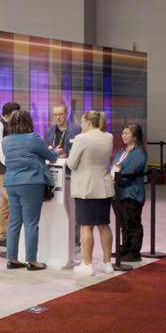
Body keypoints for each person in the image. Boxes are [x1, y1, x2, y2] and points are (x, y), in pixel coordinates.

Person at [2, 109, 58, 270]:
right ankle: (32, 261)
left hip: (11, 183)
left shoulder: (6, 140)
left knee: (14, 223)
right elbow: (51, 156)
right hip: (30, 183)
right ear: (29, 122)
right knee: (31, 223)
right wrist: (55, 151)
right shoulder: (33, 138)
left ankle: (12, 259)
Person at [65, 110, 115, 276]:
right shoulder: (108, 137)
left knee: (86, 226)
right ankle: (107, 263)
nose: (81, 125)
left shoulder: (82, 138)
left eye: (82, 122)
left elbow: (71, 163)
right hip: (104, 187)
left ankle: (87, 264)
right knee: (104, 225)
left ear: (88, 122)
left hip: (86, 188)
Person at [46, 103, 82, 246]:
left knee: (73, 208)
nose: (58, 117)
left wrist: (67, 155)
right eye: (55, 115)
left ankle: (75, 240)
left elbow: (80, 151)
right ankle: (59, 239)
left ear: (67, 114)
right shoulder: (49, 131)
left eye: (60, 114)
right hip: (55, 174)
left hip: (72, 174)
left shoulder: (76, 130)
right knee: (57, 207)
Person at [113, 124, 148, 263]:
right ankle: (125, 248)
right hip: (118, 192)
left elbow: (128, 172)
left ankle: (134, 252)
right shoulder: (122, 151)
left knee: (132, 223)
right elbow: (114, 166)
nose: (123, 136)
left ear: (135, 136)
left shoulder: (139, 153)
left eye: (127, 133)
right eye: (123, 133)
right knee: (124, 224)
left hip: (131, 194)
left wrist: (117, 175)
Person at [0, 101, 19, 248]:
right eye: (15, 114)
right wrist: (11, 164)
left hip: (8, 168)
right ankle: (11, 235)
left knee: (4, 202)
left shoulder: (8, 125)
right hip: (2, 169)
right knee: (13, 199)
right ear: (7, 115)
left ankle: (1, 236)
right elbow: (1, 150)